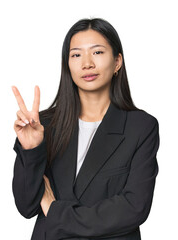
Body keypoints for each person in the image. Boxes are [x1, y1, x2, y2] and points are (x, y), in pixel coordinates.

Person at [11, 17, 160, 240]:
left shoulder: (140, 127)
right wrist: (32, 150)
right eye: (76, 55)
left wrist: (55, 211)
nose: (87, 63)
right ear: (68, 65)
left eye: (97, 52)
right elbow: (26, 207)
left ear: (117, 61)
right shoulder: (44, 126)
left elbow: (133, 208)